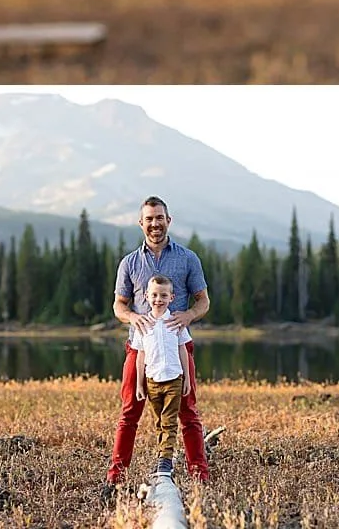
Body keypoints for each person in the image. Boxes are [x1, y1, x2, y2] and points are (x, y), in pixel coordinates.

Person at [107, 197, 212, 490]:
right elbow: (118, 305)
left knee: (188, 411)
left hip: (178, 346)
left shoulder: (188, 258)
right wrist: (131, 318)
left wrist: (189, 314)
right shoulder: (129, 262)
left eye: (159, 217)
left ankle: (198, 474)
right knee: (130, 410)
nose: (155, 223)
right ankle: (116, 476)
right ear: (141, 223)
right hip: (139, 348)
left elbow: (203, 301)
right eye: (149, 219)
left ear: (169, 220)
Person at [128, 274, 196, 479]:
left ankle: (166, 460)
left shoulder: (175, 322)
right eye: (155, 295)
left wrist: (187, 378)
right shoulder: (143, 325)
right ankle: (162, 457)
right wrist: (139, 384)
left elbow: (183, 349)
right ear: (147, 296)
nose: (159, 299)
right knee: (159, 421)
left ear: (171, 298)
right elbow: (140, 356)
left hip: (174, 378)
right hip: (152, 380)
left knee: (169, 420)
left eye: (163, 295)